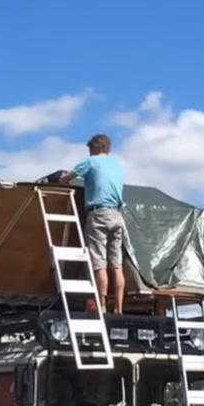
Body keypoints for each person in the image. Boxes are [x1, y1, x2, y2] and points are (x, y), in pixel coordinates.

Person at [60, 134, 127, 314]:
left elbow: (66, 179)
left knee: (99, 263)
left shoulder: (91, 162)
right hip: (117, 215)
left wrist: (63, 178)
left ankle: (103, 305)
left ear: (96, 148)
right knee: (117, 265)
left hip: (99, 214)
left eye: (90, 150)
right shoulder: (118, 165)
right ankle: (119, 308)